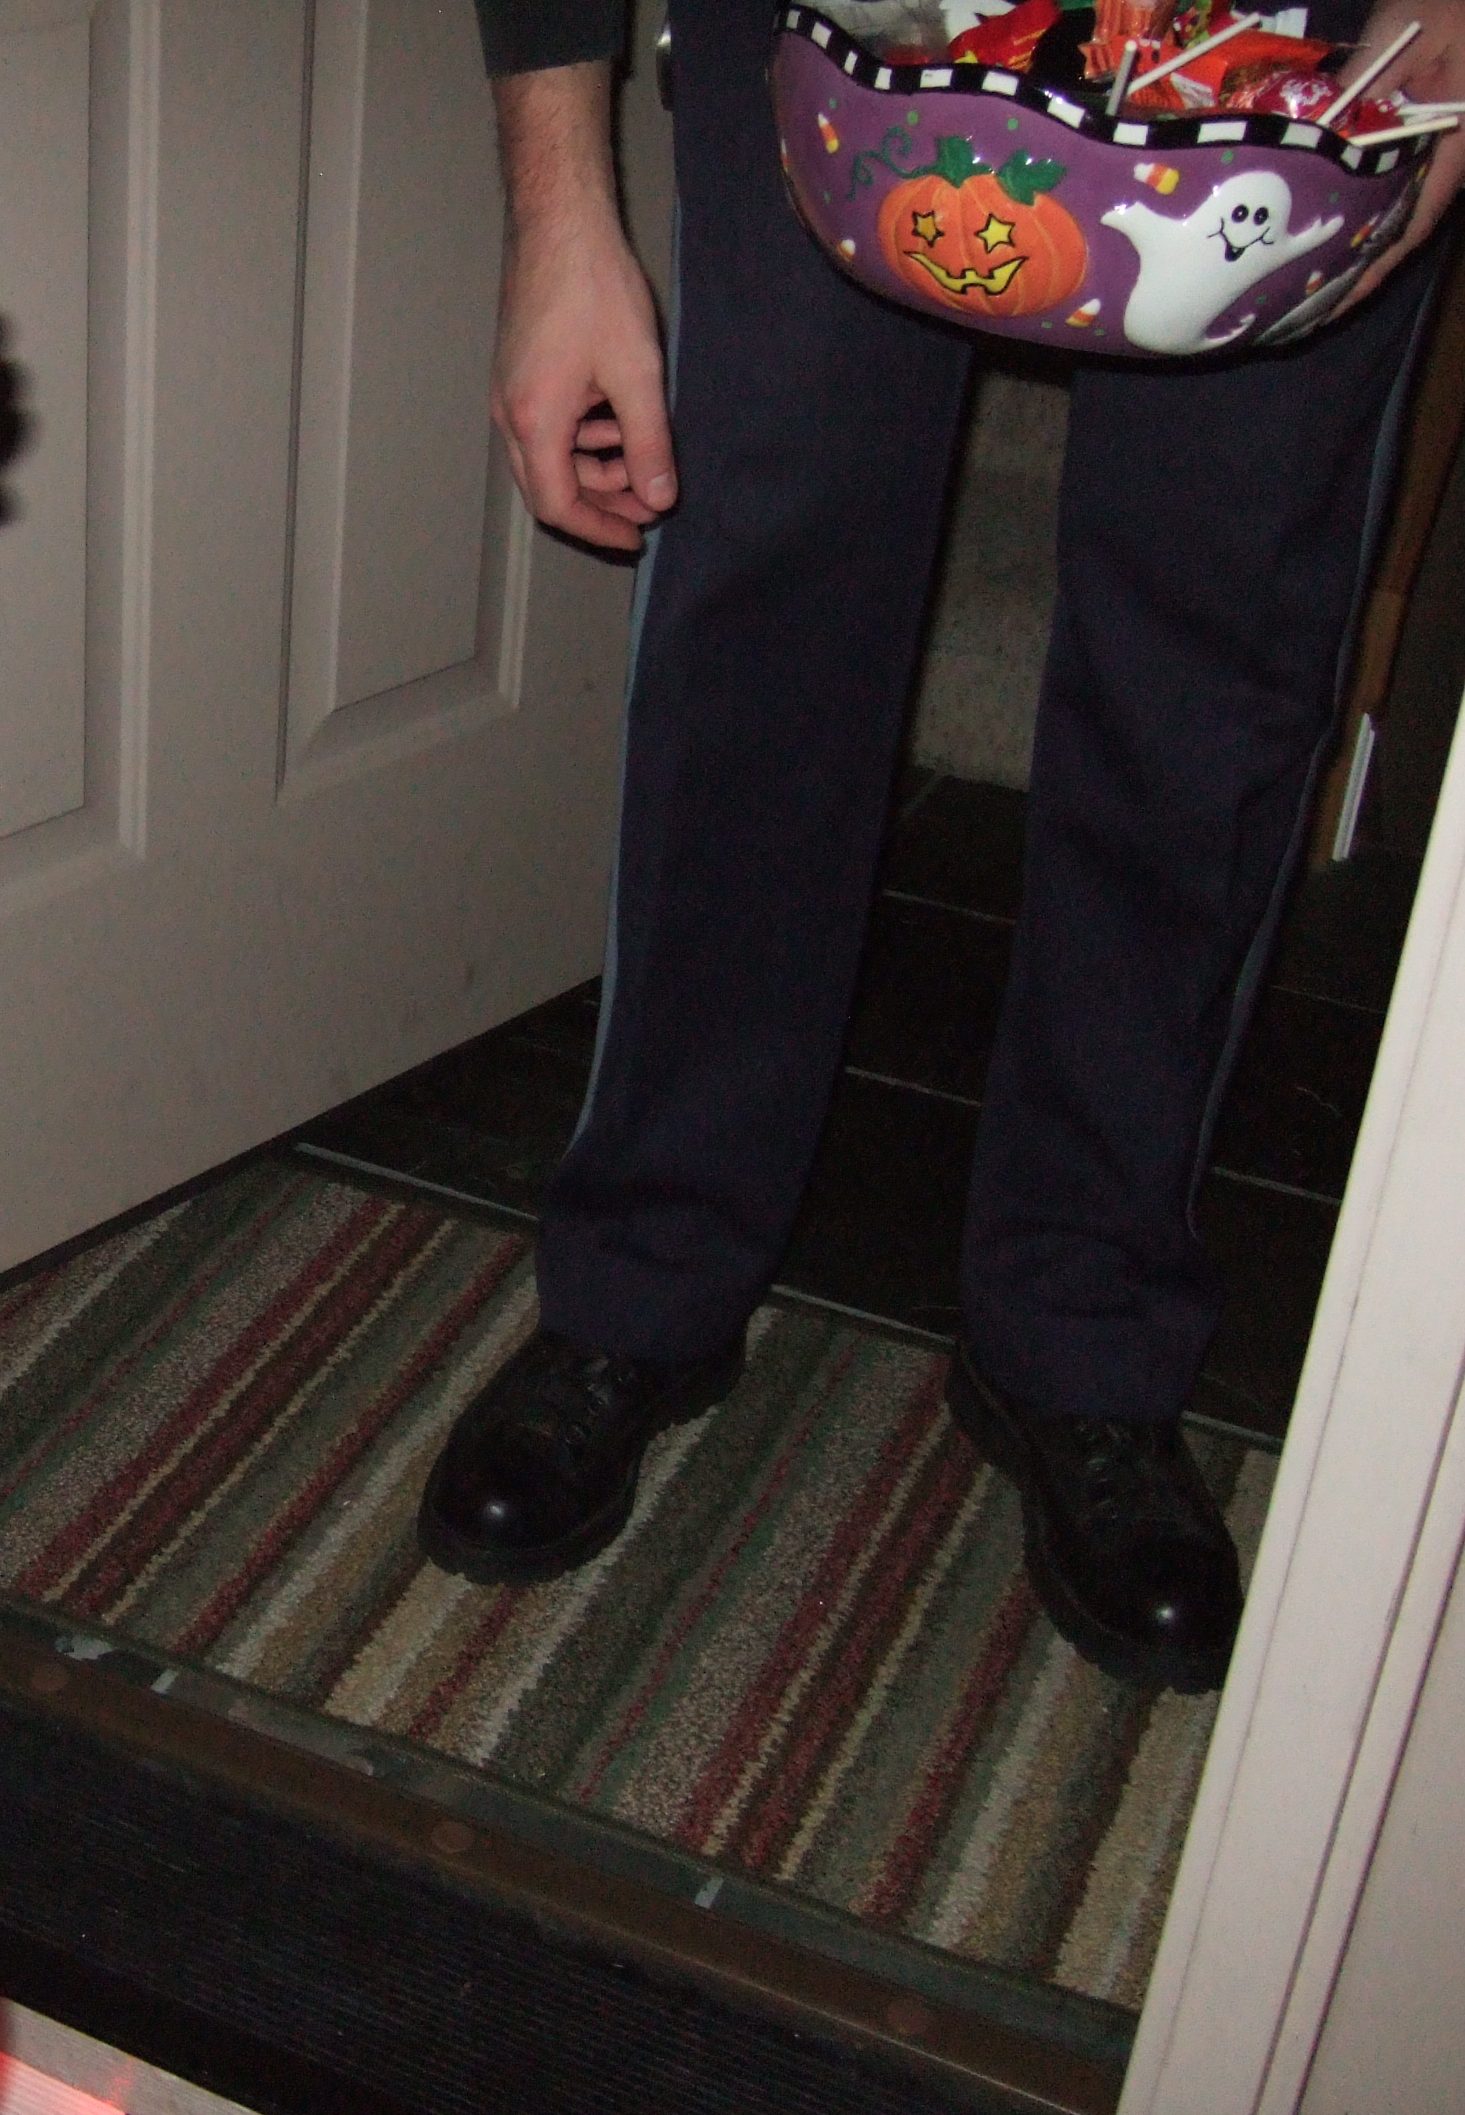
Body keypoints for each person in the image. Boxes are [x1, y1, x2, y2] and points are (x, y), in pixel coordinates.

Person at [420, 0, 1463, 1693]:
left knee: (1218, 652)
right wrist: (561, 212)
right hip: (830, 26)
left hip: (1317, 48)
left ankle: (1084, 1328)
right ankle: (647, 1277)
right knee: (760, 602)